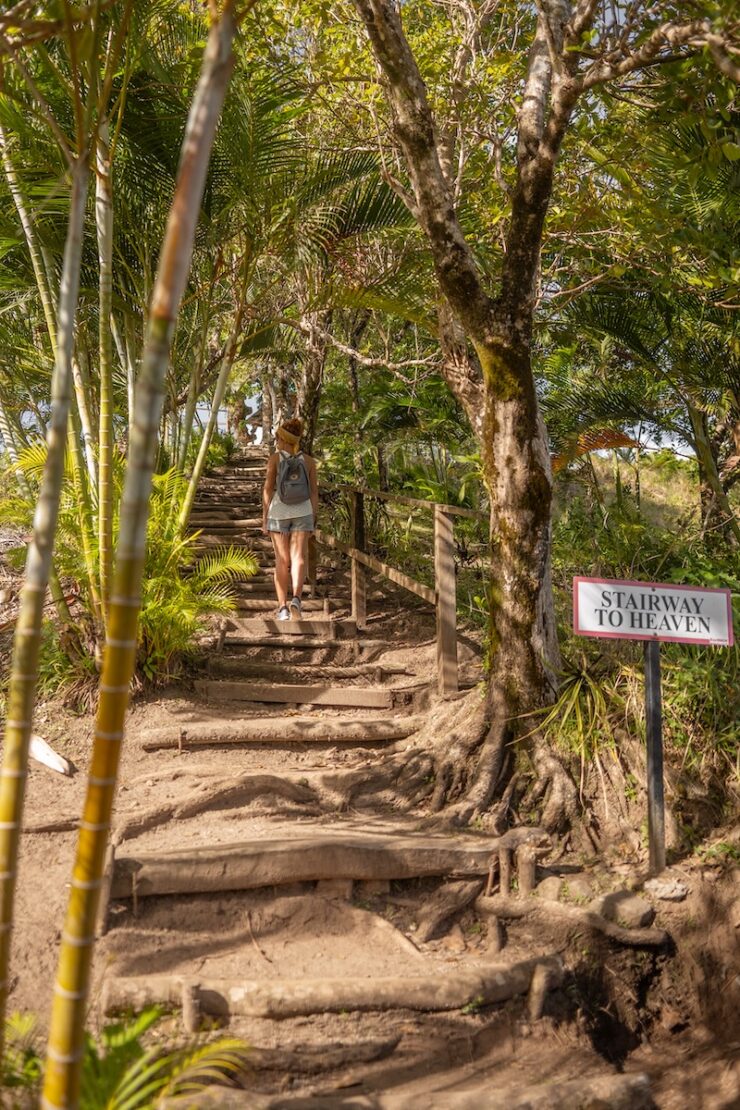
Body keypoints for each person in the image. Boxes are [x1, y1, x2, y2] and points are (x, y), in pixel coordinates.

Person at [262, 417, 318, 620]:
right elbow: (313, 493)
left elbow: (268, 490)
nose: (275, 441)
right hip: (303, 512)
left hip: (278, 513)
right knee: (298, 558)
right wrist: (313, 517)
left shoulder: (275, 459)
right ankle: (296, 599)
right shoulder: (310, 461)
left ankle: (283, 608)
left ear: (284, 440)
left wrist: (264, 517)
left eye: (277, 437)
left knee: (281, 560)